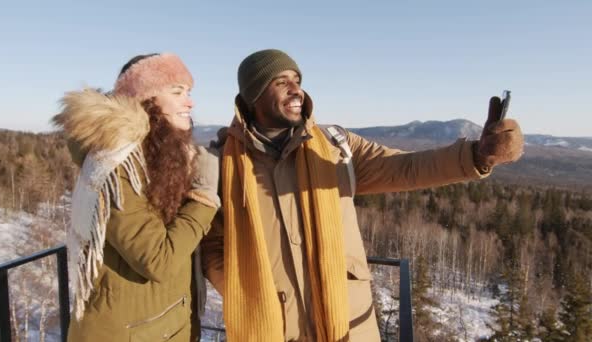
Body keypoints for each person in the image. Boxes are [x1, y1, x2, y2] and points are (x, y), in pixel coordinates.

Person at [202, 49, 524, 341]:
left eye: (297, 80)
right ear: (253, 94)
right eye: (281, 81)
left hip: (349, 325)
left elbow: (407, 167)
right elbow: (213, 244)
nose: (296, 89)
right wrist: (248, 292)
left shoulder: (334, 147)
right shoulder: (221, 165)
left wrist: (477, 157)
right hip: (272, 327)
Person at [53, 53, 220, 341]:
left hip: (161, 323)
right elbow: (158, 260)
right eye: (177, 92)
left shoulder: (159, 155)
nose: (189, 102)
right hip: (128, 332)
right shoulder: (116, 166)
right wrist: (203, 197)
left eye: (189, 93)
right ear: (145, 98)